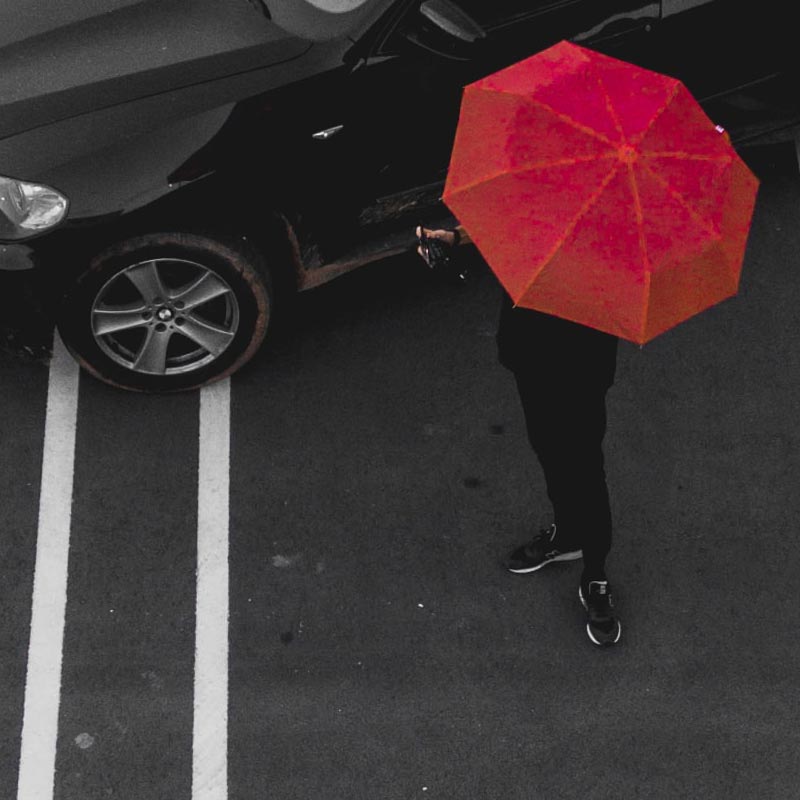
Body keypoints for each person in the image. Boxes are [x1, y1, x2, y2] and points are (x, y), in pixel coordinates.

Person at [416, 224, 621, 647]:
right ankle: (567, 534)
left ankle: (596, 574)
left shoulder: (616, 213)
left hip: (583, 351)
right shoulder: (541, 176)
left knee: (584, 463)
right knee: (546, 445)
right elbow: (503, 217)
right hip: (531, 342)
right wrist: (454, 238)